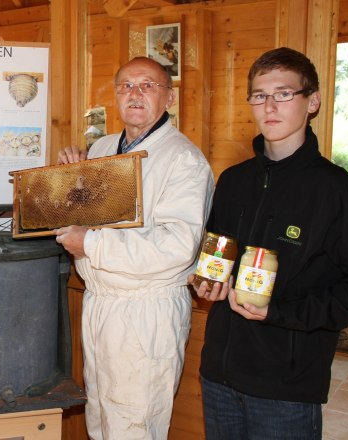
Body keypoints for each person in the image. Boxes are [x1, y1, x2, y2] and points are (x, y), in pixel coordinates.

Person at [190, 47, 348, 439]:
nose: (269, 106)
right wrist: (206, 282)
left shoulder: (338, 190)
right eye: (259, 95)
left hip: (286, 387)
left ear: (313, 101)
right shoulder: (233, 181)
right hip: (219, 375)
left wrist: (282, 312)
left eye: (283, 93)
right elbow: (216, 252)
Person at [56, 57, 214, 439]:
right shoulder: (104, 148)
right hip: (101, 302)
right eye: (126, 86)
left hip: (147, 310)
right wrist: (71, 177)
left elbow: (176, 246)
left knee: (136, 423)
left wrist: (90, 243)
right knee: (102, 417)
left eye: (147, 85)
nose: (135, 93)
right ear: (116, 96)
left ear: (169, 98)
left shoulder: (185, 161)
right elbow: (86, 215)